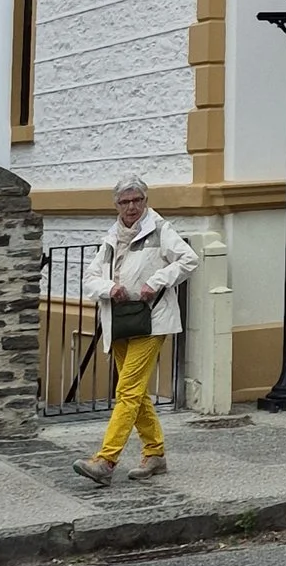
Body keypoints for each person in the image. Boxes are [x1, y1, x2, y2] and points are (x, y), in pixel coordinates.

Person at [76, 174, 196, 487]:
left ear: (145, 201)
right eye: (125, 201)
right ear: (116, 205)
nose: (131, 207)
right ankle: (154, 453)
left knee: (127, 391)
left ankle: (106, 460)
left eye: (137, 200)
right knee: (137, 392)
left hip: (152, 319)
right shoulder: (111, 237)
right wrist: (110, 287)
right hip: (119, 320)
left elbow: (189, 259)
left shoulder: (160, 229)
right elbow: (89, 279)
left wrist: (155, 282)